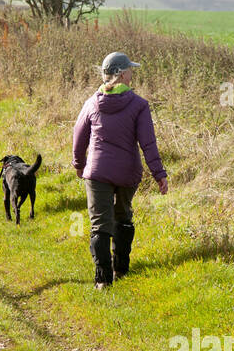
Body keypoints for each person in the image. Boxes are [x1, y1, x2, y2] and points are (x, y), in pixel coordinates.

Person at [72, 51, 168, 289]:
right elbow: (148, 143)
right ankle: (120, 270)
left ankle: (102, 281)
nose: (132, 74)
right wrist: (159, 174)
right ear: (123, 74)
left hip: (96, 172)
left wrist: (79, 164)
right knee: (123, 216)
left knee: (99, 225)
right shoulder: (139, 105)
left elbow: (78, 136)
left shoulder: (91, 102)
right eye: (130, 71)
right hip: (127, 173)